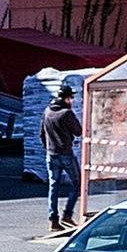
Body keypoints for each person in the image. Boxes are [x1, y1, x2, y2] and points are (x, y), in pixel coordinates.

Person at [40, 87, 86, 233]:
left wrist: (48, 147)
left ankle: (53, 220)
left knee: (53, 186)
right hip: (65, 153)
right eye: (70, 98)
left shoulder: (47, 111)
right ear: (66, 98)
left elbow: (41, 134)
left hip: (51, 154)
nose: (71, 101)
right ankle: (67, 214)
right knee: (77, 182)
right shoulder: (66, 113)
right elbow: (78, 131)